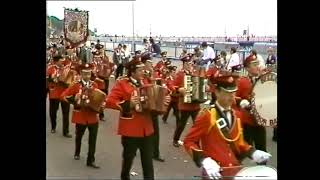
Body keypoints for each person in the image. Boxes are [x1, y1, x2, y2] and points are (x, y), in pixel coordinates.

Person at [183, 73, 271, 180]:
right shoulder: (207, 115)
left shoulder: (237, 114)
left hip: (233, 170)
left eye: (233, 92)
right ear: (217, 92)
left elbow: (239, 142)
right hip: (214, 172)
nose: (232, 96)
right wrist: (204, 160)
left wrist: (253, 152)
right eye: (227, 92)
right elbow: (189, 141)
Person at [105, 57, 170, 180]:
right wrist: (128, 104)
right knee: (128, 159)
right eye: (140, 70)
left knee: (148, 163)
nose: (143, 72)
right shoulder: (122, 83)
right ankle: (125, 177)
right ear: (132, 71)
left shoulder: (146, 83)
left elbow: (155, 102)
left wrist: (164, 102)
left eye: (143, 70)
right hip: (130, 130)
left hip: (147, 129)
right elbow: (110, 101)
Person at [61, 63, 103, 168]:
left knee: (92, 140)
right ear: (80, 74)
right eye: (85, 74)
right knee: (79, 136)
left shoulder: (94, 85)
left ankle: (91, 160)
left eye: (89, 74)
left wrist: (101, 103)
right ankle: (77, 151)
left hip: (93, 116)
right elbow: (63, 96)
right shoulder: (75, 85)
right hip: (81, 116)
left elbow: (98, 97)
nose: (87, 76)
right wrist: (74, 98)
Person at [235, 54, 268, 154]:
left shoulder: (265, 79)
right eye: (254, 64)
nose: (258, 66)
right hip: (247, 122)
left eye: (258, 63)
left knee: (262, 151)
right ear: (247, 68)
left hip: (260, 121)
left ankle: (262, 167)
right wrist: (241, 102)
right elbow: (233, 97)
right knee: (244, 150)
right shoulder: (242, 81)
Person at [172, 56, 201, 147]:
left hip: (195, 104)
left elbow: (201, 83)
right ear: (184, 64)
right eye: (188, 64)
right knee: (182, 124)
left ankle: (195, 141)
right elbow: (173, 86)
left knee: (197, 124)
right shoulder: (180, 74)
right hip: (185, 104)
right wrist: (179, 89)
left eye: (191, 63)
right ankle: (175, 139)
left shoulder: (195, 73)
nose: (190, 65)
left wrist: (204, 88)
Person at [46, 55, 72, 138]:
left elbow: (70, 78)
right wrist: (53, 79)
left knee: (66, 113)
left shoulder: (66, 69)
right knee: (53, 112)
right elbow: (47, 79)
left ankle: (66, 131)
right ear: (56, 61)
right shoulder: (50, 68)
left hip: (64, 94)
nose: (63, 62)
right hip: (54, 94)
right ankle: (53, 126)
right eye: (61, 61)